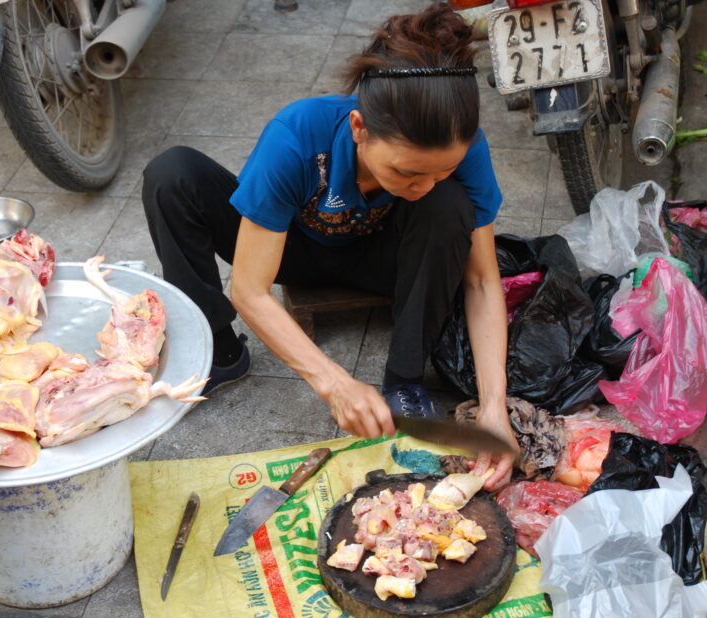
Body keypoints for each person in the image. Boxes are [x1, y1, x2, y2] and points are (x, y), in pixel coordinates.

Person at [142, 2, 517, 490]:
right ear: (360, 128)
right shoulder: (299, 134)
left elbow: (484, 280)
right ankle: (219, 352)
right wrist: (334, 383)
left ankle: (405, 380)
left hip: (386, 258)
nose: (422, 183)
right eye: (405, 171)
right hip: (294, 250)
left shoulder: (463, 152)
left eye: (441, 168)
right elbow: (251, 289)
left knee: (449, 206)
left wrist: (493, 406)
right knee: (173, 174)